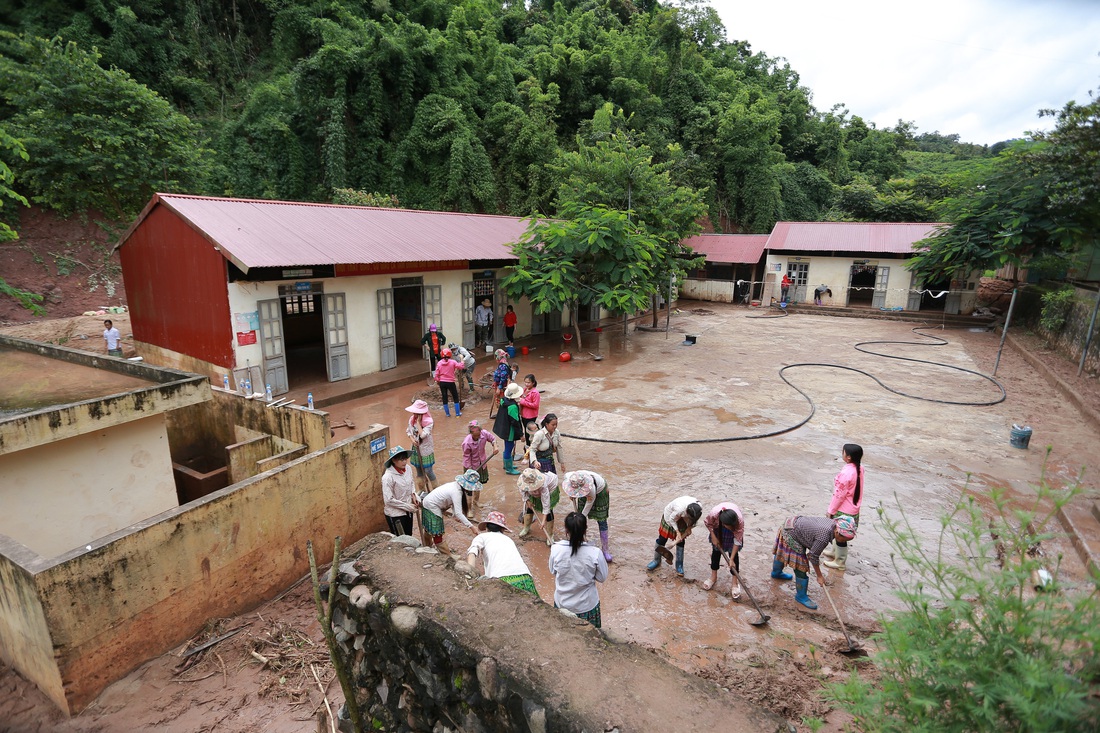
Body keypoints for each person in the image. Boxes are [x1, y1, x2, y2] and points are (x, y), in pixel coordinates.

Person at [771, 515, 857, 609]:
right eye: (844, 540)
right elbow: (813, 556)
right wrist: (819, 576)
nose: (844, 542)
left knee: (782, 552)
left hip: (790, 523)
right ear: (837, 532)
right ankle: (801, 596)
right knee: (801, 566)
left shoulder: (832, 524)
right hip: (791, 533)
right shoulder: (823, 537)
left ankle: (776, 573)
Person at [549, 512, 609, 627]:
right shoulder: (595, 553)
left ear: (566, 530)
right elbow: (602, 577)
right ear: (585, 530)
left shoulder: (556, 549)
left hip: (562, 603)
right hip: (586, 606)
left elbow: (552, 571)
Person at [465, 511, 537, 595]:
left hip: (502, 579)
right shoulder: (508, 539)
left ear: (486, 528)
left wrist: (470, 573)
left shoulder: (481, 537)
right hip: (526, 578)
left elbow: (472, 552)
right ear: (502, 529)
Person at [822, 444, 865, 570]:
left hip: (844, 509)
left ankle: (840, 562)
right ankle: (835, 553)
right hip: (853, 508)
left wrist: (831, 511)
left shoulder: (847, 473)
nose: (842, 454)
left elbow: (839, 495)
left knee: (841, 536)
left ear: (848, 457)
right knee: (838, 532)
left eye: (843, 452)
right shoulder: (860, 468)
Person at [420, 469, 482, 555]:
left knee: (428, 529)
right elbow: (459, 513)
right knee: (438, 533)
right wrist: (472, 527)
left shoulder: (455, 486)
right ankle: (447, 555)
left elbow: (454, 506)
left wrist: (454, 516)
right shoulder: (456, 492)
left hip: (427, 502)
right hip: (432, 506)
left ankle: (427, 547)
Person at [562, 470, 612, 562]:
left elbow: (588, 505)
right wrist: (571, 494)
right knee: (578, 519)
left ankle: (605, 549)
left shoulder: (591, 489)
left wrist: (580, 518)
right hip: (583, 491)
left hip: (600, 492)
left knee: (601, 521)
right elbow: (566, 479)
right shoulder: (569, 477)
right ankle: (581, 542)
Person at [645, 496, 702, 576]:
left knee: (681, 542)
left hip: (684, 519)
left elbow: (695, 520)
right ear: (686, 512)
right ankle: (656, 560)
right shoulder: (680, 509)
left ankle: (679, 565)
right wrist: (678, 532)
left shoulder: (698, 509)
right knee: (662, 539)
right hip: (670, 517)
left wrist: (689, 527)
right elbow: (672, 519)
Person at [702, 503, 745, 599]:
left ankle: (735, 583)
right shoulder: (714, 514)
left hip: (731, 535)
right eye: (730, 526)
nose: (731, 528)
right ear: (724, 524)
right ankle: (713, 577)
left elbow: (737, 540)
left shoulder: (739, 521)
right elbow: (707, 523)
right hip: (718, 530)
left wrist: (731, 559)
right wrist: (713, 535)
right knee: (716, 553)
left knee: (734, 559)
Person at [517, 467, 560, 546]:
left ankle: (550, 534)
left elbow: (546, 503)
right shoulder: (523, 479)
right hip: (533, 491)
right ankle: (526, 527)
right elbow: (522, 490)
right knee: (529, 508)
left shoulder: (543, 485)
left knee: (549, 512)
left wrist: (543, 520)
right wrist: (527, 501)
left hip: (550, 487)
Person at [381, 446, 418, 536]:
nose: (404, 462)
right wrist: (407, 506)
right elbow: (388, 500)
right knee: (400, 540)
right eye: (401, 460)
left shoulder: (408, 469)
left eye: (405, 459)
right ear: (394, 460)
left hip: (408, 510)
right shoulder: (388, 477)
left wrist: (414, 494)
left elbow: (411, 482)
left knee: (409, 536)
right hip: (395, 514)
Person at [492, 382, 524, 475]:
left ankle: (507, 464)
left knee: (507, 447)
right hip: (509, 430)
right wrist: (521, 434)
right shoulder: (512, 406)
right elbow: (515, 422)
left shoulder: (504, 400)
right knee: (509, 448)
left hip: (503, 427)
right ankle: (509, 468)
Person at [406, 399, 438, 489]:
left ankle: (436, 490)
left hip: (426, 449)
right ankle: (421, 490)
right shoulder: (411, 419)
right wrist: (412, 439)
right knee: (419, 471)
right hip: (416, 448)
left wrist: (418, 424)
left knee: (428, 471)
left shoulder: (429, 422)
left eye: (416, 413)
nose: (414, 414)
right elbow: (408, 431)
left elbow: (423, 435)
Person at [462, 419, 498, 495]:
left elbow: (493, 439)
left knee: (478, 485)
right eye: (475, 436)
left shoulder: (484, 433)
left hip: (482, 463)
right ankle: (469, 503)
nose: (478, 437)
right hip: (471, 466)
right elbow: (466, 457)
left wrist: (495, 447)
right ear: (471, 433)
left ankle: (475, 502)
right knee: (469, 489)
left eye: (479, 435)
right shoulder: (467, 442)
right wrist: (470, 470)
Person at [433, 347, 466, 417]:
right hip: (451, 382)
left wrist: (438, 381)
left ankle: (447, 414)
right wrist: (462, 359)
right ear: (450, 355)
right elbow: (461, 366)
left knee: (444, 397)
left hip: (442, 382)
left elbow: (436, 375)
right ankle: (457, 413)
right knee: (455, 397)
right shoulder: (453, 362)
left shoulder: (439, 363)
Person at [518, 374, 541, 445]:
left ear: (533, 383)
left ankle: (531, 446)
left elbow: (535, 405)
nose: (526, 384)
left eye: (528, 382)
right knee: (526, 430)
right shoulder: (524, 389)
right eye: (525, 382)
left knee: (530, 432)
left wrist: (523, 401)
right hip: (523, 414)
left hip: (531, 415)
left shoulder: (535, 393)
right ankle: (528, 447)